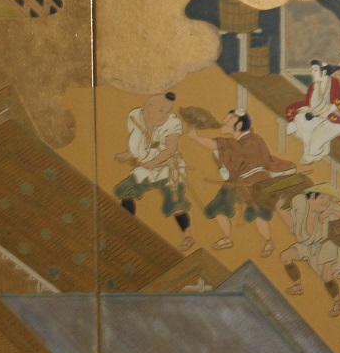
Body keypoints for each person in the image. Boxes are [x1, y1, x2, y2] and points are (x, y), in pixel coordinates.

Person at [188, 107, 294, 257]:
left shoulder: (248, 141)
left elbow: (216, 145)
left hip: (255, 182)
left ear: (239, 125)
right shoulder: (244, 141)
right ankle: (229, 238)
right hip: (239, 182)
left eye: (229, 119)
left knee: (258, 211)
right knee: (219, 206)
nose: (224, 120)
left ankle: (268, 241)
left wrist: (196, 137)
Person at [112, 92, 194, 251]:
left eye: (168, 111)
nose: (165, 114)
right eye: (161, 110)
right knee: (126, 190)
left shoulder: (172, 123)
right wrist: (128, 154)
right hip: (148, 166)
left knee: (175, 202)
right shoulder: (135, 117)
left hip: (168, 167)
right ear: (148, 108)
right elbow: (136, 142)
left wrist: (153, 163)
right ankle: (128, 225)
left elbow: (170, 150)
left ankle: (188, 236)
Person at [279, 183, 340, 317]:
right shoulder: (301, 210)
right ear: (311, 197)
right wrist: (280, 209)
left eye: (328, 199)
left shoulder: (330, 208)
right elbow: (292, 224)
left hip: (328, 246)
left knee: (326, 276)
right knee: (285, 256)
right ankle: (297, 286)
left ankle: (337, 302)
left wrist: (332, 212)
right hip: (308, 246)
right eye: (322, 198)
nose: (326, 202)